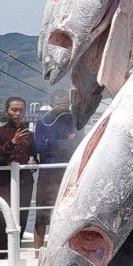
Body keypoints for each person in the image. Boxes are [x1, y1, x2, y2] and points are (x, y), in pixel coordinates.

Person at [0, 96, 38, 259]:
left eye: (21, 110)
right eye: (14, 110)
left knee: (22, 219)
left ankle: (15, 253)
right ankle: (2, 256)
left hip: (25, 183)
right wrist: (13, 142)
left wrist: (33, 163)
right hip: (5, 183)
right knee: (4, 220)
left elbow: (34, 157)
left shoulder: (29, 135)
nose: (17, 113)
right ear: (6, 111)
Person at [33, 89, 80, 249]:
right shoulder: (43, 122)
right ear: (51, 104)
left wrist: (51, 142)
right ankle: (38, 252)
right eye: (59, 103)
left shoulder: (76, 122)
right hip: (47, 175)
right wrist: (63, 141)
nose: (63, 107)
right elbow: (40, 146)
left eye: (65, 103)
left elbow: (77, 145)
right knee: (41, 215)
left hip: (70, 175)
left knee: (67, 214)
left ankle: (62, 249)